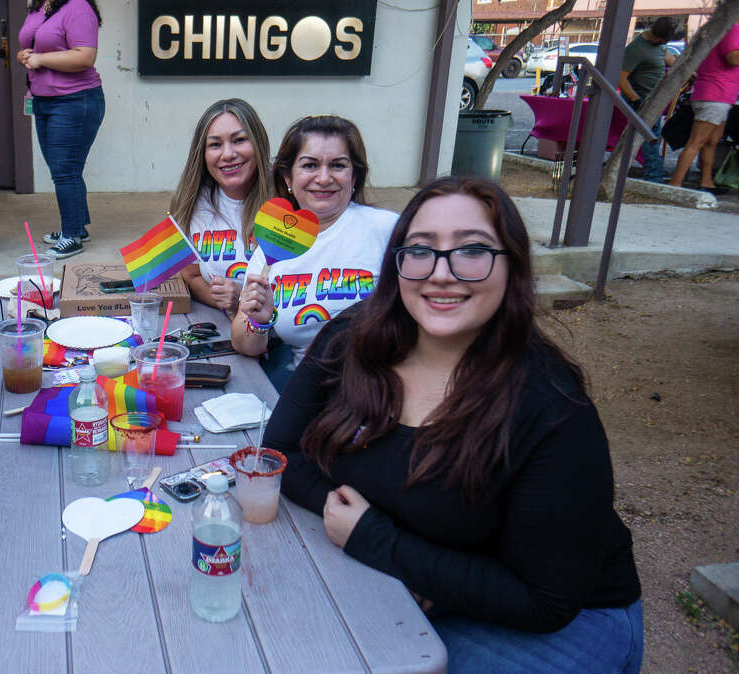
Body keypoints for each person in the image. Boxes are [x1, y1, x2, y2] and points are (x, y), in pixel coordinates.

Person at [269, 176, 643, 673]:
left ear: (513, 267)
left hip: (557, 625)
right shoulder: (350, 340)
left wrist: (383, 545)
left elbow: (546, 602)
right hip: (405, 579)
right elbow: (279, 455)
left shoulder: (552, 408)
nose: (441, 274)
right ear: (396, 263)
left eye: (472, 250)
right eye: (420, 250)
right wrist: (385, 548)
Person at [231, 115, 398, 392]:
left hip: (379, 388)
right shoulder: (274, 246)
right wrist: (259, 321)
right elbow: (244, 343)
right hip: (306, 392)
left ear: (354, 176)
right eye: (310, 165)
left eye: (337, 165)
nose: (323, 178)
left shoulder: (387, 230)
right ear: (288, 177)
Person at [18, 0, 105, 260]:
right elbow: (32, 43)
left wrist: (40, 58)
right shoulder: (38, 6)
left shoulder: (78, 6)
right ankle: (76, 226)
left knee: (65, 171)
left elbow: (85, 55)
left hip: (74, 100)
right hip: (43, 99)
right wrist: (24, 55)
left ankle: (72, 237)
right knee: (63, 169)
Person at [169, 98, 272, 316]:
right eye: (215, 144)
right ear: (203, 153)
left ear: (258, 142)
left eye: (239, 140)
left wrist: (243, 297)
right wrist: (228, 303)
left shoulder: (287, 201)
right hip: (222, 324)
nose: (227, 154)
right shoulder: (189, 202)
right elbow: (192, 276)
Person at [670, 22, 739, 194]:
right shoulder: (732, 29)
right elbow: (733, 58)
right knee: (697, 141)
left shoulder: (717, 29)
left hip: (716, 94)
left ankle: (707, 182)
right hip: (716, 94)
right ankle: (674, 184)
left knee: (711, 141)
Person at [620, 17, 681, 183]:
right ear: (658, 36)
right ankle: (654, 177)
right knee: (650, 140)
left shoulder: (659, 45)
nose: (664, 43)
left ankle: (653, 176)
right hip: (642, 100)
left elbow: (667, 58)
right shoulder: (636, 49)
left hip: (653, 100)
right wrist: (636, 99)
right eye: (663, 40)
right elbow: (621, 78)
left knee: (651, 139)